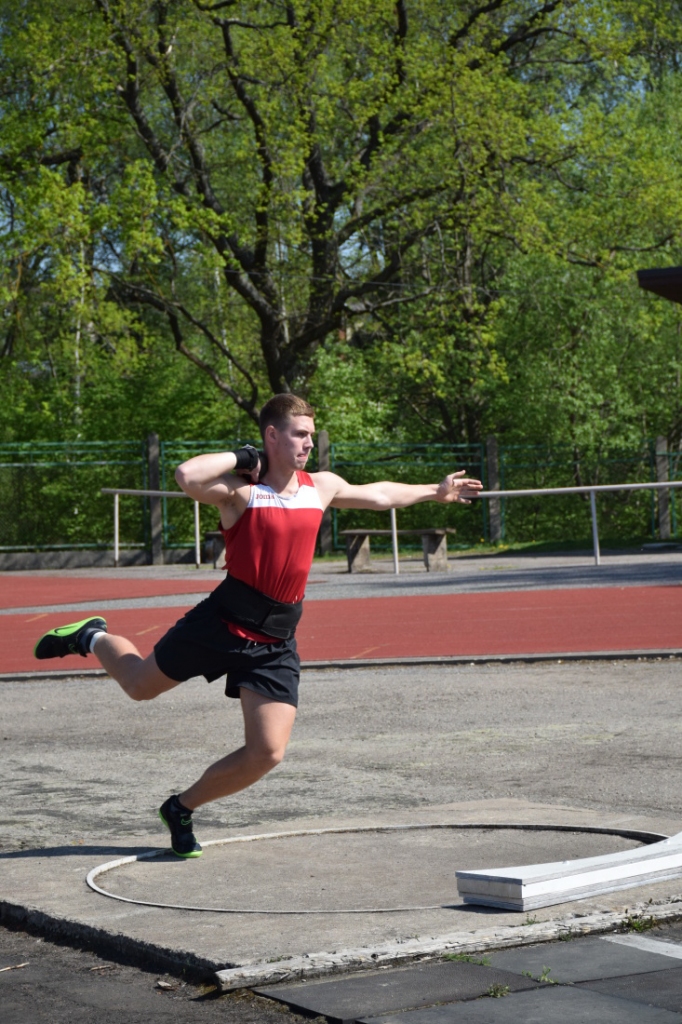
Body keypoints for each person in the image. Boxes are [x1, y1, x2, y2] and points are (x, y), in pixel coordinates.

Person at [34, 395, 482, 858]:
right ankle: (93, 635)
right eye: (299, 433)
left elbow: (384, 494)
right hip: (220, 623)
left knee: (267, 752)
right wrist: (242, 457)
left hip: (275, 640)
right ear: (272, 435)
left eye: (311, 433)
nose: (309, 442)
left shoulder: (320, 486)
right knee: (138, 686)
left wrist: (435, 490)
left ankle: (181, 808)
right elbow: (187, 475)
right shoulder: (239, 491)